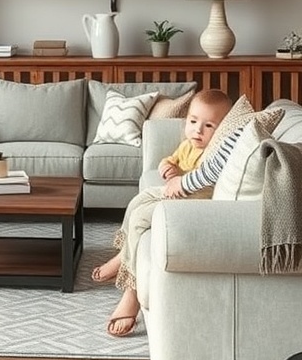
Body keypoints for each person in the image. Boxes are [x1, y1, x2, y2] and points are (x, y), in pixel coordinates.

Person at [91, 88, 234, 338]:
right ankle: (124, 254)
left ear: (222, 129)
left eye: (209, 126)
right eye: (193, 122)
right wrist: (166, 167)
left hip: (190, 202)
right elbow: (170, 159)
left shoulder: (213, 153)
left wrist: (180, 177)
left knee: (140, 218)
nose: (198, 131)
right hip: (173, 192)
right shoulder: (188, 145)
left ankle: (132, 293)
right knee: (136, 202)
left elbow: (201, 180)